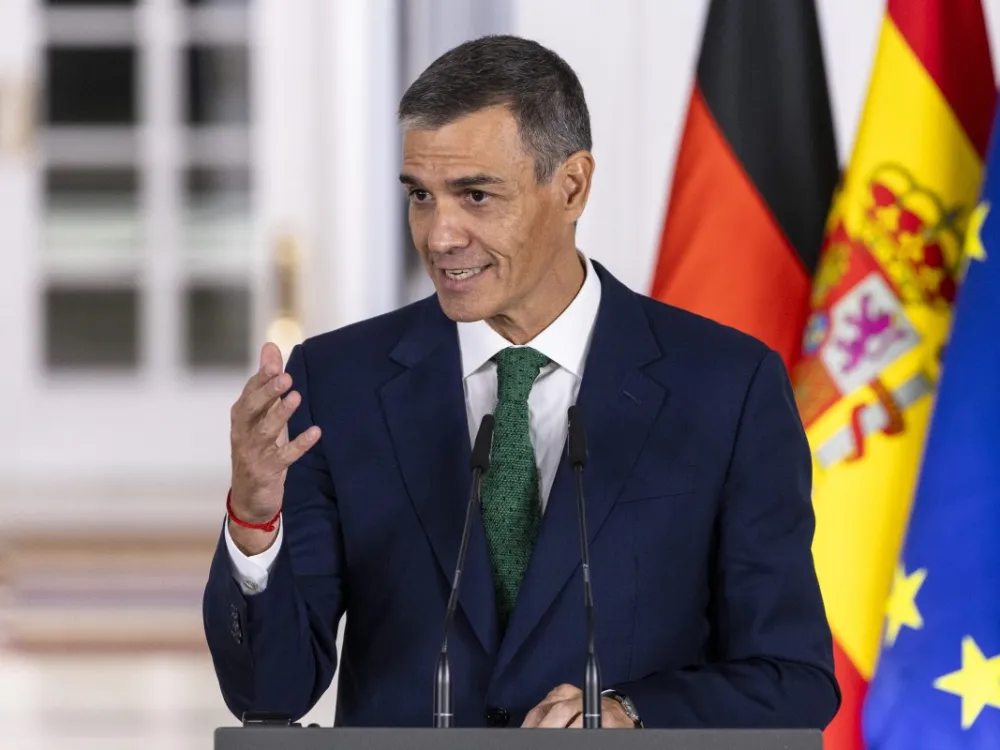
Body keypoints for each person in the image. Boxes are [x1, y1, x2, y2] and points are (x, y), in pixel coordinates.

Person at [203, 34, 840, 730]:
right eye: (421, 196)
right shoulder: (335, 384)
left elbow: (792, 681)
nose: (439, 235)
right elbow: (271, 693)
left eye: (475, 195)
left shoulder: (727, 387)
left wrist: (633, 714)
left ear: (571, 186)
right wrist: (254, 521)